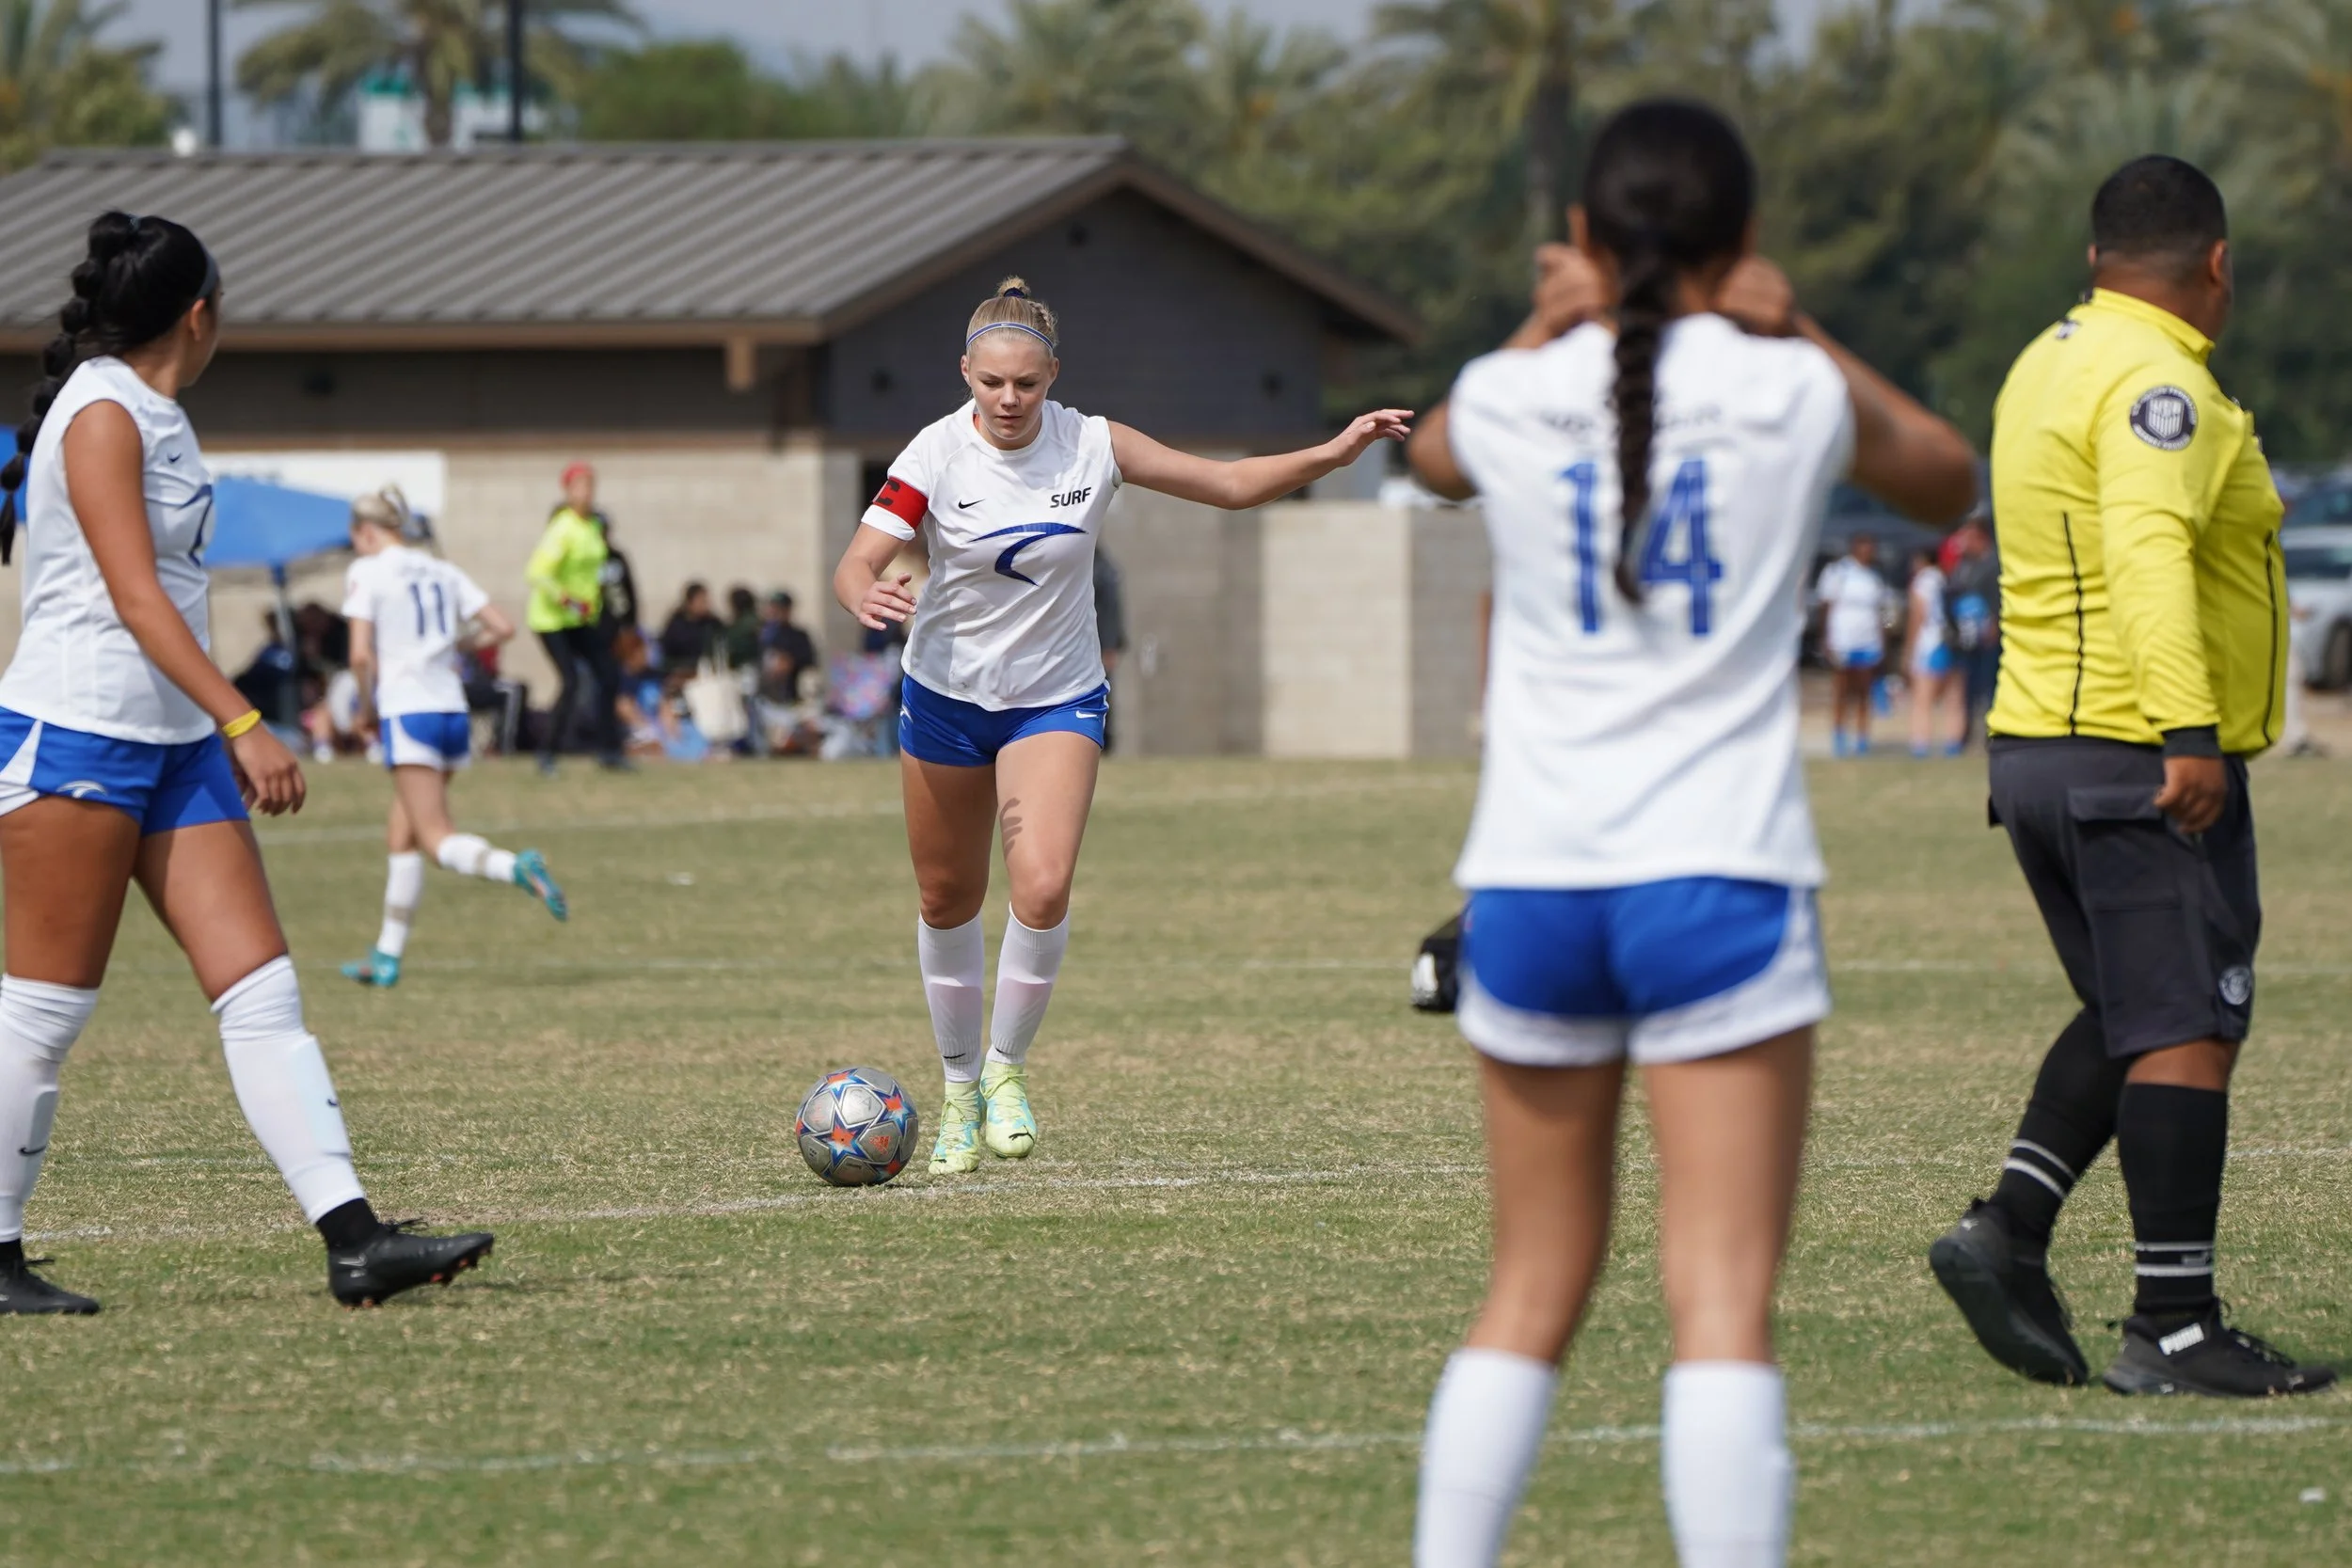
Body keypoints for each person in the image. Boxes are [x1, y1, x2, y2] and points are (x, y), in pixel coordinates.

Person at [1400, 102, 1978, 1567]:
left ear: (1585, 239)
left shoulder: (1512, 386)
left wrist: (1543, 325)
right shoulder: (1787, 382)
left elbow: (1433, 457)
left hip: (1530, 882)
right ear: (1747, 243)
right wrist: (1803, 327)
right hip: (1718, 873)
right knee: (1718, 1303)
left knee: (1528, 1288)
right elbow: (1944, 474)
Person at [0, 212, 492, 1314]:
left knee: (262, 993)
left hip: (173, 745)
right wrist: (243, 720)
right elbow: (133, 598)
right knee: (43, 1011)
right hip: (77, 737)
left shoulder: (161, 412)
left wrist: (207, 725)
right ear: (199, 312)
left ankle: (354, 1239)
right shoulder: (101, 414)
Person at [834, 276, 1410, 1176]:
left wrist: (1333, 455)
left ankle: (1005, 1074)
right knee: (948, 897)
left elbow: (1224, 482)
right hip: (945, 695)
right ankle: (952, 1090)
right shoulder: (934, 454)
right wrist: (862, 590)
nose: (1010, 400)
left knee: (1046, 883)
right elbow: (859, 559)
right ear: (967, 376)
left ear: (1054, 375)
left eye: (1027, 383)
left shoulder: (1092, 444)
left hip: (1056, 696)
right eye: (992, 384)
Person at [1927, 156, 2333, 1398]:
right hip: (2132, 752)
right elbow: (2151, 549)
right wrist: (2190, 732)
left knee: (2130, 1008)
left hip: (2041, 741)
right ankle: (2173, 1321)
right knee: (2190, 1024)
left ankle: (2010, 1228)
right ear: (2216, 267)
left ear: (2098, 255)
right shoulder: (2162, 383)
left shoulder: (2046, 360)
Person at [338, 492, 567, 990]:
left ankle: (517, 867)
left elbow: (359, 656)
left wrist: (365, 707)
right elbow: (502, 627)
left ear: (367, 532)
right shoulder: (442, 570)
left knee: (437, 839)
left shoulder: (369, 572)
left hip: (408, 708)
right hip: (451, 710)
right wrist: (454, 646)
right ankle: (386, 957)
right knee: (402, 832)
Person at [525, 462, 624, 774]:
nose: (587, 492)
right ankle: (547, 753)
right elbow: (537, 573)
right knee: (571, 680)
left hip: (581, 620)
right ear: (567, 491)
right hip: (552, 619)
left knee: (608, 674)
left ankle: (609, 751)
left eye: (590, 485)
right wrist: (565, 598)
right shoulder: (562, 527)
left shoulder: (592, 526)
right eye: (580, 486)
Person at [1813, 532, 1891, 754]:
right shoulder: (1838, 572)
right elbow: (1825, 606)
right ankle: (1839, 734)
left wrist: (1884, 637)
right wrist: (1825, 637)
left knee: (1864, 690)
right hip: (1843, 638)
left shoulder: (1874, 578)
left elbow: (1882, 613)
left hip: (1868, 639)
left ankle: (1862, 737)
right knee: (1842, 689)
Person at [1947, 515, 2002, 744]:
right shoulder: (1964, 566)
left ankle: (1992, 734)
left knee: (1991, 687)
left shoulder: (1994, 564)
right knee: (1968, 689)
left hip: (1990, 638)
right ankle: (1965, 734)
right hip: (1967, 637)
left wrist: (1995, 624)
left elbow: (2000, 596)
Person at [1903, 546, 1962, 756]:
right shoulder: (1946, 578)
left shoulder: (1922, 581)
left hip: (1929, 643)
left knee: (1922, 699)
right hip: (1953, 641)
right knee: (1953, 698)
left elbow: (1918, 616)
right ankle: (1953, 744)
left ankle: (1921, 744)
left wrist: (1909, 650)